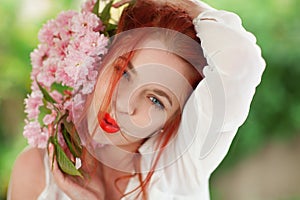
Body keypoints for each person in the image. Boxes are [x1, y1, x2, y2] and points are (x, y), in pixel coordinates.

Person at [8, 0, 265, 199]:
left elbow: (241, 60)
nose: (123, 105)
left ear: (175, 117)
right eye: (123, 73)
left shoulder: (178, 170)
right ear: (100, 60)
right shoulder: (36, 172)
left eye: (156, 100)